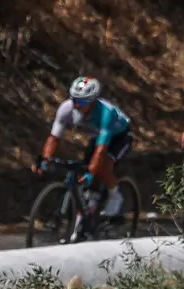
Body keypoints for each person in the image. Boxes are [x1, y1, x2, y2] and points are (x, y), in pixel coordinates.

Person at [36, 77, 134, 219]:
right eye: (74, 100)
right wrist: (45, 161)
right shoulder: (66, 108)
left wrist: (91, 173)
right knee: (84, 170)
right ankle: (88, 205)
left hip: (120, 136)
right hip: (98, 137)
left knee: (102, 166)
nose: (77, 105)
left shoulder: (105, 113)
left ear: (93, 101)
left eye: (82, 102)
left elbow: (101, 150)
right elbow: (53, 138)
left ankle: (115, 195)